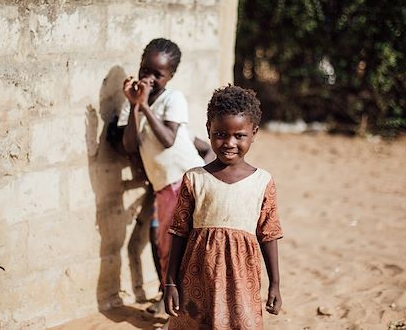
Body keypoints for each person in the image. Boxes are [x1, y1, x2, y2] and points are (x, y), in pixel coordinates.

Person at [164, 85, 283, 329]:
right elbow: (178, 232)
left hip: (242, 283)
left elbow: (268, 235)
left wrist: (275, 284)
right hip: (197, 280)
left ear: (254, 133)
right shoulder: (194, 178)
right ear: (208, 130)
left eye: (239, 136)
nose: (229, 142)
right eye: (220, 134)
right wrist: (170, 282)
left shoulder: (262, 182)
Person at [118, 38, 209, 308]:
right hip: (163, 187)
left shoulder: (173, 98)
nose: (149, 78)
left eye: (158, 74)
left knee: (185, 244)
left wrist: (144, 106)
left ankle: (185, 305)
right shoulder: (133, 103)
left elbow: (168, 138)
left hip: (185, 180)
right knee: (164, 243)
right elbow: (130, 145)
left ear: (171, 76)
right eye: (145, 69)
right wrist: (135, 106)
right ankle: (171, 300)